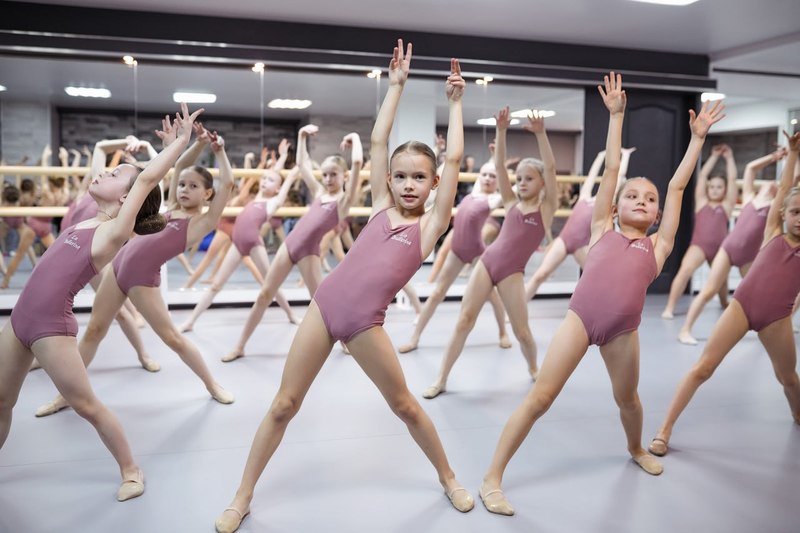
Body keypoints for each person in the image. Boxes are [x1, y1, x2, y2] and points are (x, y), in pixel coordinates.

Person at [213, 41, 473, 533]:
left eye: (420, 177)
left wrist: (455, 105)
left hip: (364, 324)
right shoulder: (379, 207)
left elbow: (455, 158)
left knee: (404, 405)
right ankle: (241, 496)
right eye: (401, 176)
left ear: (434, 183)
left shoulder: (430, 226)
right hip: (324, 306)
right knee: (284, 404)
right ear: (389, 180)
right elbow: (378, 141)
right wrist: (394, 88)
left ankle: (450, 477)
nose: (409, 184)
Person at [478, 74, 725, 516]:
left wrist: (697, 140)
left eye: (649, 200)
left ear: (657, 215)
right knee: (540, 398)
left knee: (628, 400)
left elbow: (677, 187)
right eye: (632, 196)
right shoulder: (599, 230)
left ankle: (636, 447)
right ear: (614, 207)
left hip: (622, 333)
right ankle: (491, 477)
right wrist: (616, 117)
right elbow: (612, 170)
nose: (642, 201)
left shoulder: (659, 246)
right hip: (579, 321)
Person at [0, 102, 203, 501]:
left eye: (116, 174)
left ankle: (131, 469)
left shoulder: (113, 232)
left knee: (87, 406)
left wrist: (178, 145)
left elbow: (147, 180)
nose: (106, 172)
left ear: (127, 197)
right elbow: (126, 174)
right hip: (19, 321)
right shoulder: (87, 217)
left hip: (50, 329)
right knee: (2, 400)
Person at [34, 123, 238, 417]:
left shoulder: (202, 223)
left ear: (208, 194)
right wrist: (199, 143)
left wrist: (219, 152)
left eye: (193, 187)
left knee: (172, 338)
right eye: (182, 184)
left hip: (142, 281)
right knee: (94, 330)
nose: (184, 189)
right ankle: (64, 397)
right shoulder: (169, 205)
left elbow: (227, 185)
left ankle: (212, 385)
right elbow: (181, 165)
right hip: (117, 270)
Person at [649, 130, 800, 457]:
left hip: (776, 319)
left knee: (788, 378)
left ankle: (797, 413)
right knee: (703, 368)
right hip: (742, 307)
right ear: (784, 213)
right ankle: (664, 429)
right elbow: (785, 188)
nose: (799, 219)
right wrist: (792, 156)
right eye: (795, 212)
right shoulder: (773, 230)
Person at [420, 105, 558, 399]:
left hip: (512, 273)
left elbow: (551, 168)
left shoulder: (546, 209)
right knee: (464, 321)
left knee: (522, 332)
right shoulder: (511, 202)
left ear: (542, 182)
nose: (521, 183)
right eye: (519, 179)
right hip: (487, 263)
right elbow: (500, 169)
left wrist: (541, 134)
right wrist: (501, 130)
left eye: (529, 178)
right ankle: (441, 379)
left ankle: (534, 368)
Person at [221, 127, 363, 362]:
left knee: (321, 303)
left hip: (309, 253)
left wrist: (355, 137)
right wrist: (301, 136)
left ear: (344, 177)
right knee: (264, 295)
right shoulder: (319, 191)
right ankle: (240, 346)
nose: (328, 179)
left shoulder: (344, 201)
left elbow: (357, 163)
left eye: (333, 175)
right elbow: (301, 164)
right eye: (325, 174)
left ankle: (344, 340)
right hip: (288, 247)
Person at [398, 158, 511, 354]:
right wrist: (493, 157)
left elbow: (509, 192)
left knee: (492, 294)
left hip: (477, 253)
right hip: (457, 251)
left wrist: (501, 166)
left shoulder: (493, 199)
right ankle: (415, 337)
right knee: (437, 293)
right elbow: (481, 173)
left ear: (498, 181)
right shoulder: (473, 193)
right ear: (479, 177)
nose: (487, 178)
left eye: (492, 176)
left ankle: (503, 333)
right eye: (484, 175)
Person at [676, 147, 786, 344]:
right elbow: (750, 168)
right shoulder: (749, 198)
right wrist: (774, 157)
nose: (771, 183)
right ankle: (685, 330)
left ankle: (767, 331)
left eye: (775, 184)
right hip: (727, 250)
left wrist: (793, 154)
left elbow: (788, 183)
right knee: (709, 290)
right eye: (768, 182)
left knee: (759, 295)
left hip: (749, 257)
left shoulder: (774, 208)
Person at [178, 160, 300, 332]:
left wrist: (292, 174)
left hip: (254, 244)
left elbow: (283, 183)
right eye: (264, 178)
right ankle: (190, 321)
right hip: (237, 244)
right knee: (216, 285)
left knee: (270, 284)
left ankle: (291, 315)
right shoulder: (258, 197)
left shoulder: (273, 202)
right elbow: (274, 174)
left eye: (270, 180)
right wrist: (279, 160)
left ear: (278, 188)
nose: (265, 181)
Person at [523, 147, 634, 300]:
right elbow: (591, 176)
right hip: (564, 240)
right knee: (541, 274)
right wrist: (600, 156)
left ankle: (607, 304)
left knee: (597, 277)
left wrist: (626, 156)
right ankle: (519, 305)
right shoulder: (584, 197)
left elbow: (618, 177)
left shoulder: (605, 207)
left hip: (581, 246)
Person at [661, 143, 738, 318]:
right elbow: (702, 176)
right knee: (685, 271)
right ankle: (669, 308)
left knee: (721, 280)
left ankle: (724, 301)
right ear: (707, 188)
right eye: (712, 186)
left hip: (720, 249)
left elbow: (733, 179)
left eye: (719, 187)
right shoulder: (702, 203)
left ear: (725, 189)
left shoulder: (727, 206)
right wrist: (714, 156)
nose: (715, 190)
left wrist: (729, 158)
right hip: (699, 246)